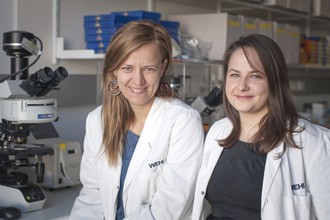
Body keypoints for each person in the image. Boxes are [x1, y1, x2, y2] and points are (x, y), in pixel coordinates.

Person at [70, 20, 204, 220]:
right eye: (127, 68)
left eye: (148, 69)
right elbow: (93, 195)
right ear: (114, 69)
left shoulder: (182, 121)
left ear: (162, 67)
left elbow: (169, 206)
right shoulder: (97, 119)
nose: (138, 80)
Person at [191, 34, 330, 220]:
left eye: (255, 76)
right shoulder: (217, 132)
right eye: (234, 75)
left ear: (275, 81)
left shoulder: (315, 143)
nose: (242, 86)